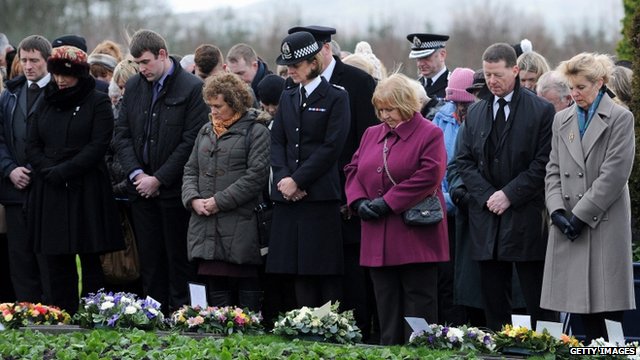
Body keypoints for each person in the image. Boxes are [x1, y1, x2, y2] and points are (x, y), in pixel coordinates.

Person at [455, 43, 557, 331]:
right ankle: (499, 345)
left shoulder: (541, 111)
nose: (491, 81)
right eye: (487, 75)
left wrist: (509, 195)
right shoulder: (476, 113)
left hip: (525, 215)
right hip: (486, 217)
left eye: (497, 74)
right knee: (492, 296)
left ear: (515, 70)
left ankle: (545, 345)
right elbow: (464, 161)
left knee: (534, 293)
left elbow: (543, 162)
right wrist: (489, 196)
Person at [287, 25, 378, 342]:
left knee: (348, 277)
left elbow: (367, 144)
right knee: (311, 274)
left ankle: (355, 335)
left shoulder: (357, 83)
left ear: (325, 49)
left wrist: (354, 193)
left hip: (343, 197)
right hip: (304, 199)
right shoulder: (295, 86)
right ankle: (313, 333)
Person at [345, 73, 449, 345]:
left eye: (389, 109)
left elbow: (430, 175)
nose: (384, 115)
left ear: (405, 104)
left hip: (415, 235)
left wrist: (388, 202)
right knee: (386, 305)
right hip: (378, 235)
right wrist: (357, 201)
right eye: (380, 109)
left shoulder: (430, 133)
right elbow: (353, 169)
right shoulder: (371, 134)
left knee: (418, 305)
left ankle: (420, 352)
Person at [542, 53, 636, 343]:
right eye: (571, 87)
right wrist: (556, 209)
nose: (574, 94)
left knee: (608, 315)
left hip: (602, 222)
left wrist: (580, 215)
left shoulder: (621, 118)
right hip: (569, 225)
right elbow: (553, 169)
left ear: (600, 83)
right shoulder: (562, 119)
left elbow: (614, 175)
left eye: (581, 87)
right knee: (580, 312)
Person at [113, 29, 208, 312]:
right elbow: (122, 135)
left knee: (179, 257)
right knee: (150, 258)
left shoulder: (191, 88)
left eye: (145, 62)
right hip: (140, 190)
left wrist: (159, 178)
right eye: (137, 63)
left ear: (162, 55)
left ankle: (182, 314)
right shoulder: (134, 87)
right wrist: (137, 175)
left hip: (174, 190)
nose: (141, 69)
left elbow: (190, 141)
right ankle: (152, 313)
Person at [26, 45, 124, 314]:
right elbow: (32, 143)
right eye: (57, 74)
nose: (60, 80)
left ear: (80, 75)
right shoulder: (44, 101)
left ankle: (94, 314)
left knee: (91, 258)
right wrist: (48, 169)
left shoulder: (98, 101)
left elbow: (98, 145)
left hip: (86, 189)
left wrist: (65, 170)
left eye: (67, 75)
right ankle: (61, 312)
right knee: (56, 258)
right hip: (51, 189)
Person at [266, 31, 349, 309]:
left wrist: (299, 180)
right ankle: (301, 324)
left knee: (322, 267)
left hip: (320, 195)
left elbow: (331, 147)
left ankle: (327, 325)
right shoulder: (288, 95)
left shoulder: (335, 97)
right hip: (289, 196)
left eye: (296, 66)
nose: (290, 72)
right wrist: (284, 179)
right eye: (288, 66)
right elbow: (277, 140)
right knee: (296, 268)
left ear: (313, 63)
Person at [182, 72, 270, 311]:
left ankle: (250, 330)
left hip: (241, 221)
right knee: (214, 276)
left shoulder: (256, 131)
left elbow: (256, 176)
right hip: (205, 220)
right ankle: (219, 329)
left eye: (218, 106)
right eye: (210, 106)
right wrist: (193, 199)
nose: (213, 111)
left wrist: (219, 201)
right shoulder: (205, 131)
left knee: (244, 275)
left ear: (234, 102)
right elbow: (190, 169)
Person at [0, 34, 51, 303]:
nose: (28, 66)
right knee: (19, 257)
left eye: (34, 60)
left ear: (47, 60)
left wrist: (32, 169)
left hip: (44, 188)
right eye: (24, 60)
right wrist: (10, 169)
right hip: (13, 190)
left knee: (46, 257)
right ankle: (24, 311)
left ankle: (53, 312)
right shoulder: (10, 94)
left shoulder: (57, 91)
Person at [431, 67, 476, 326]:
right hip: (446, 211)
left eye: (465, 103)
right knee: (446, 278)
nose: (459, 109)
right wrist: (446, 199)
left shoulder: (479, 120)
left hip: (471, 211)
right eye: (455, 103)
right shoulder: (441, 119)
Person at [406, 33, 449, 118]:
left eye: (426, 57)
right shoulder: (413, 87)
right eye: (418, 58)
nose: (420, 64)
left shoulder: (452, 86)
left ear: (442, 55)